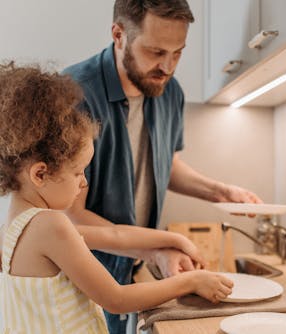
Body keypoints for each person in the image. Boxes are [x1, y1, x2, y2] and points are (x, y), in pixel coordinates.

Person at [63, 0, 262, 332]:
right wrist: (157, 248)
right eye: (156, 52)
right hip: (85, 277)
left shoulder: (169, 92)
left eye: (178, 53)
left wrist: (220, 192)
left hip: (133, 268)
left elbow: (165, 166)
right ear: (119, 34)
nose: (167, 67)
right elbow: (72, 217)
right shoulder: (75, 93)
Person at [0, 63, 233, 334]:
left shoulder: (13, 229)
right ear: (40, 174)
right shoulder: (51, 226)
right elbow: (117, 299)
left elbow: (114, 235)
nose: (84, 181)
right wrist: (191, 282)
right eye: (77, 172)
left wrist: (175, 239)